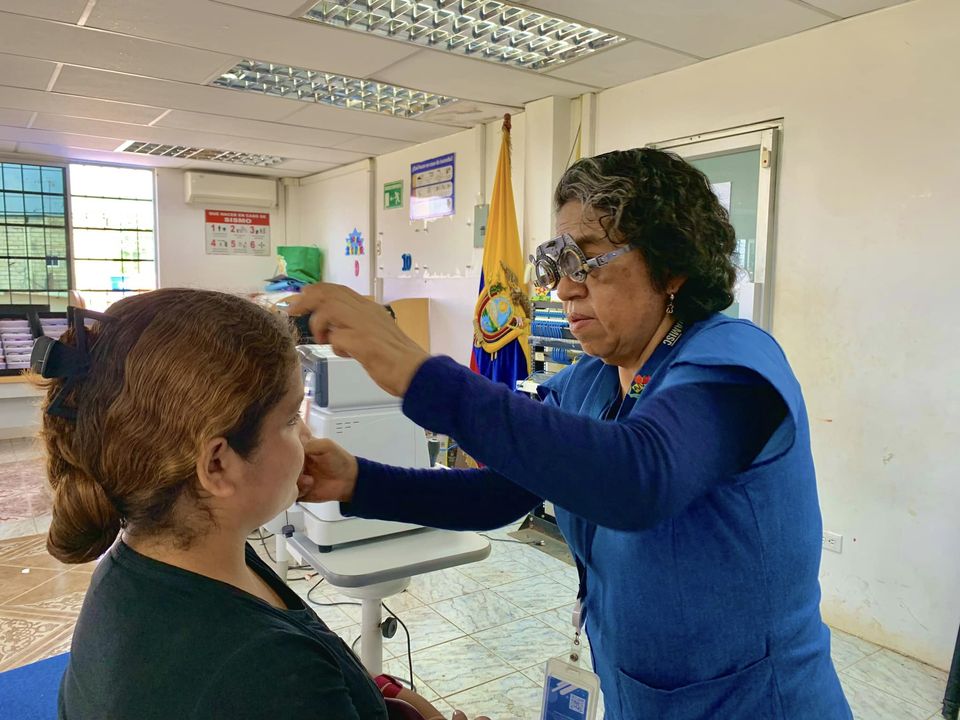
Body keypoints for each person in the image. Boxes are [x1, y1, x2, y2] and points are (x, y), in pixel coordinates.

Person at [290, 148, 853, 720]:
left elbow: (639, 479)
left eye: (585, 261)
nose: (563, 289)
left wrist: (419, 373)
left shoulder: (736, 363)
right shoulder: (592, 379)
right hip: (642, 697)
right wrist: (357, 482)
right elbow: (500, 494)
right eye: (556, 264)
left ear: (671, 266)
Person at [32, 289, 484, 720]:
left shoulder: (159, 560)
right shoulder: (269, 677)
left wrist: (384, 694)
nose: (308, 435)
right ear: (218, 464)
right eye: (290, 420)